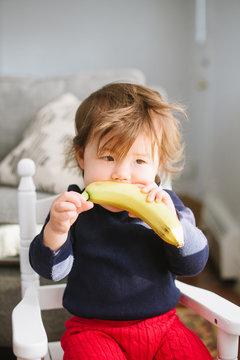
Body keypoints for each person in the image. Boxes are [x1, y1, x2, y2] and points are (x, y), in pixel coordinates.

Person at [29, 83, 212, 359]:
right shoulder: (74, 209)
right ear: (82, 156)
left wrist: (173, 224)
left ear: (158, 163)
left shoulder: (166, 205)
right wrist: (56, 230)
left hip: (163, 327)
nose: (122, 174)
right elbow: (52, 271)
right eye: (108, 157)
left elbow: (192, 264)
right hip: (93, 332)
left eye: (139, 161)